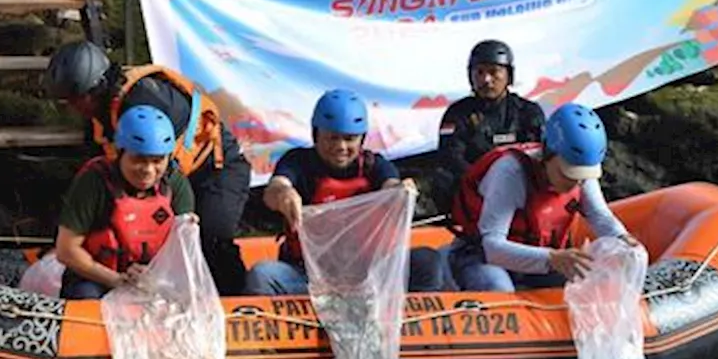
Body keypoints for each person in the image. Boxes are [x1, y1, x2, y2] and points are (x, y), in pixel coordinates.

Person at [43, 41, 251, 295]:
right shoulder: (102, 115)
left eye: (75, 99)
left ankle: (237, 300)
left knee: (211, 235)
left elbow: (154, 173)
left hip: (216, 167)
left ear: (95, 89)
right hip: (170, 169)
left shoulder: (145, 107)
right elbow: (95, 177)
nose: (73, 108)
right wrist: (71, 232)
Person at [244, 89, 446, 297]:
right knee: (263, 275)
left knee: (428, 261)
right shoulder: (298, 162)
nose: (340, 147)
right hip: (309, 277)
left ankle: (409, 325)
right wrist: (283, 194)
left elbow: (391, 185)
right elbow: (276, 186)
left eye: (349, 139)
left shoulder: (375, 166)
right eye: (332, 138)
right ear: (316, 135)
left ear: (362, 139)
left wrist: (402, 192)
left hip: (368, 277)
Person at [448, 103, 640, 292]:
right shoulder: (510, 173)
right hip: (481, 256)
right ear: (548, 154)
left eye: (583, 178)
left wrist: (622, 237)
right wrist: (552, 258)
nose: (576, 184)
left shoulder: (582, 176)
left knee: (591, 284)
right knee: (498, 287)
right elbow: (492, 248)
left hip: (540, 257)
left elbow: (600, 216)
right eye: (568, 174)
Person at [54, 105, 196, 300]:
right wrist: (118, 280)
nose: (148, 170)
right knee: (85, 296)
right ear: (120, 153)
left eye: (157, 161)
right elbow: (66, 250)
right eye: (138, 159)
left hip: (154, 278)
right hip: (98, 276)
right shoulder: (94, 182)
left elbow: (183, 251)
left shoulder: (175, 183)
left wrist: (154, 277)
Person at [432, 39, 546, 208]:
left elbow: (540, 154)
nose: (486, 79)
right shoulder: (457, 113)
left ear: (508, 75)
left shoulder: (528, 111)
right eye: (479, 72)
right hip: (476, 189)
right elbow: (451, 157)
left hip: (521, 186)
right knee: (442, 178)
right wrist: (487, 182)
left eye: (494, 72)